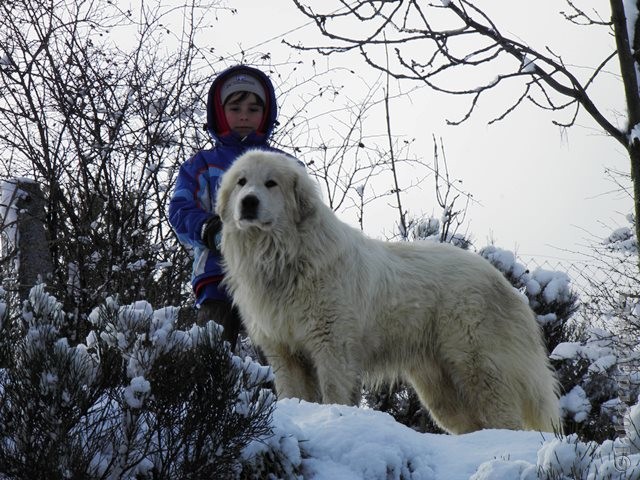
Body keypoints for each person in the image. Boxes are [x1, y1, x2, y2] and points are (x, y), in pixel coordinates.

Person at [169, 65, 289, 352]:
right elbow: (180, 210)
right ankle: (206, 397)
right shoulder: (201, 166)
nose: (244, 115)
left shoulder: (284, 166)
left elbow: (306, 215)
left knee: (281, 359)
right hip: (217, 276)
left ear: (266, 113)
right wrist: (211, 230)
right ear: (220, 113)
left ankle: (287, 398)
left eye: (253, 108)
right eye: (235, 108)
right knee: (210, 355)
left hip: (275, 280)